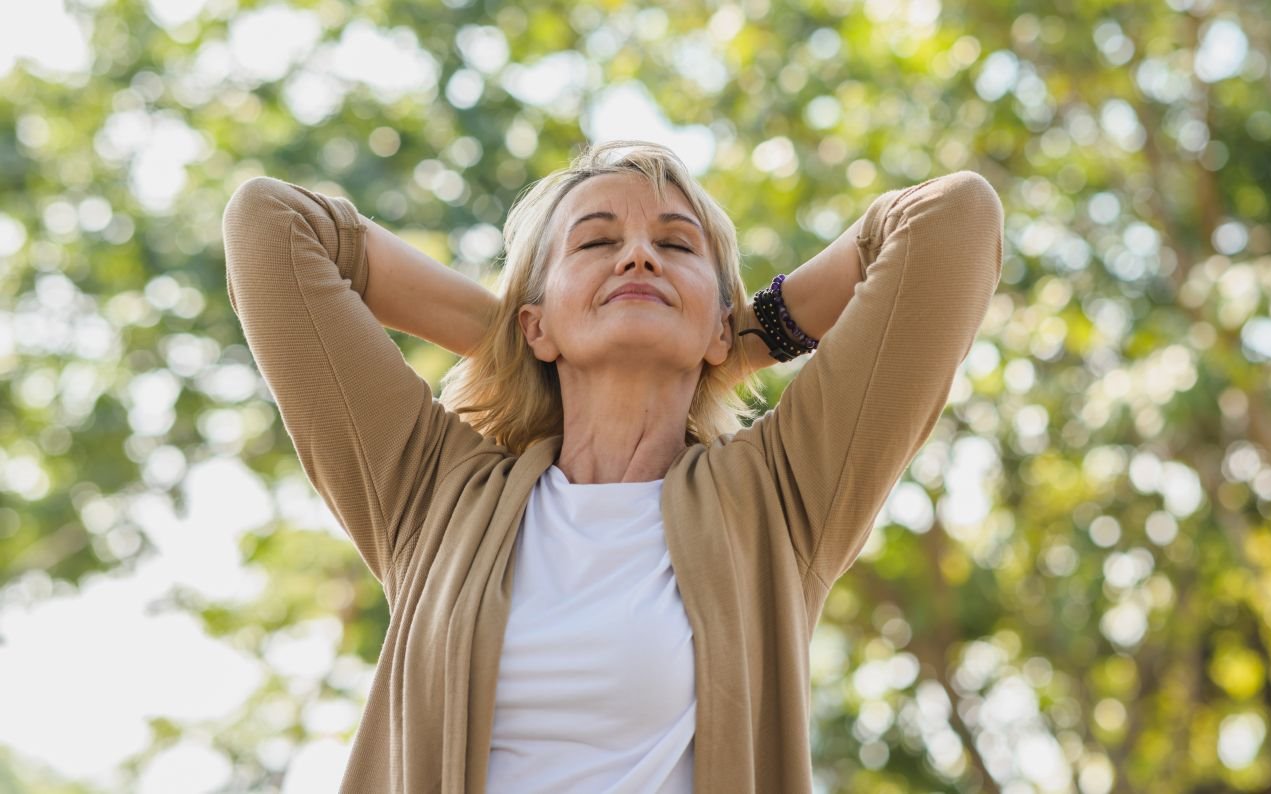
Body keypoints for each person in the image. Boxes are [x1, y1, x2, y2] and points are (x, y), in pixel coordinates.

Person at [221, 139, 1003, 793]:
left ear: (721, 325)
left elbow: (952, 220)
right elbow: (272, 225)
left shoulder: (779, 495)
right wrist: (517, 339)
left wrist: (741, 339)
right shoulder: (433, 492)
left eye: (676, 245)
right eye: (595, 243)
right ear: (535, 323)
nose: (637, 255)